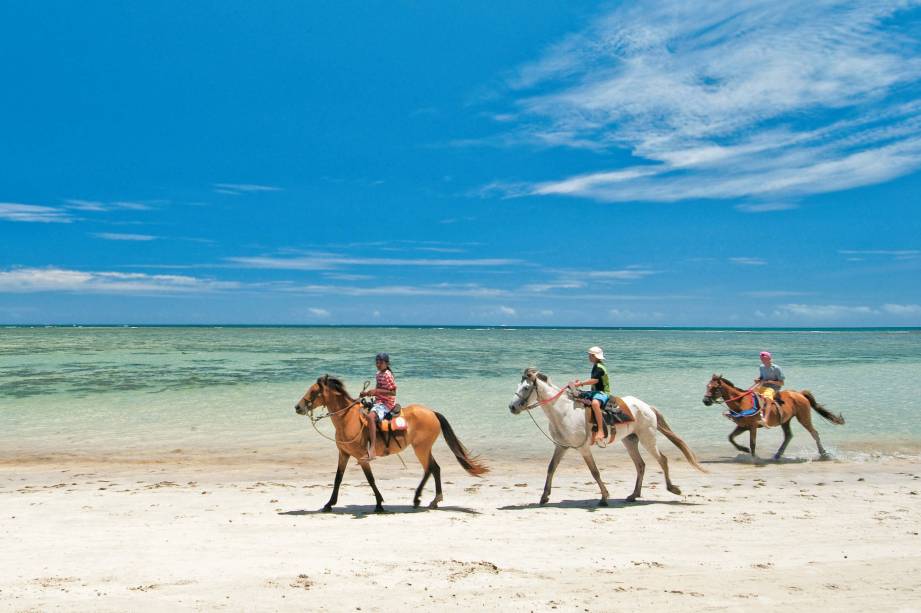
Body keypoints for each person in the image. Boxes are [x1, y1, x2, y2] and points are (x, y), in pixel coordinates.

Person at [358, 352, 397, 461]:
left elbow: (393, 392)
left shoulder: (388, 375)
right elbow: (378, 390)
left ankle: (373, 449)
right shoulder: (378, 374)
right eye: (377, 362)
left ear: (387, 363)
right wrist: (367, 393)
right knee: (360, 409)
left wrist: (377, 391)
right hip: (379, 401)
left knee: (370, 417)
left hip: (387, 403)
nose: (378, 364)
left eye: (381, 362)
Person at [570, 346, 612, 445]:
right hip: (595, 392)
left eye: (590, 355)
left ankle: (600, 430)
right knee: (575, 396)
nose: (588, 357)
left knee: (595, 403)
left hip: (602, 393)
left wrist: (580, 383)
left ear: (594, 356)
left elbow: (595, 380)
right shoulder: (596, 365)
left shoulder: (599, 367)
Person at [754, 350, 784, 421]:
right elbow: (761, 377)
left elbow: (782, 383)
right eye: (761, 359)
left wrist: (770, 381)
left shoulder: (776, 368)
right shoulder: (761, 367)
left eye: (764, 358)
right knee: (750, 394)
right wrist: (758, 379)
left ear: (769, 358)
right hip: (763, 386)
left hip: (774, 388)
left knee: (767, 399)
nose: (762, 360)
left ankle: (765, 419)